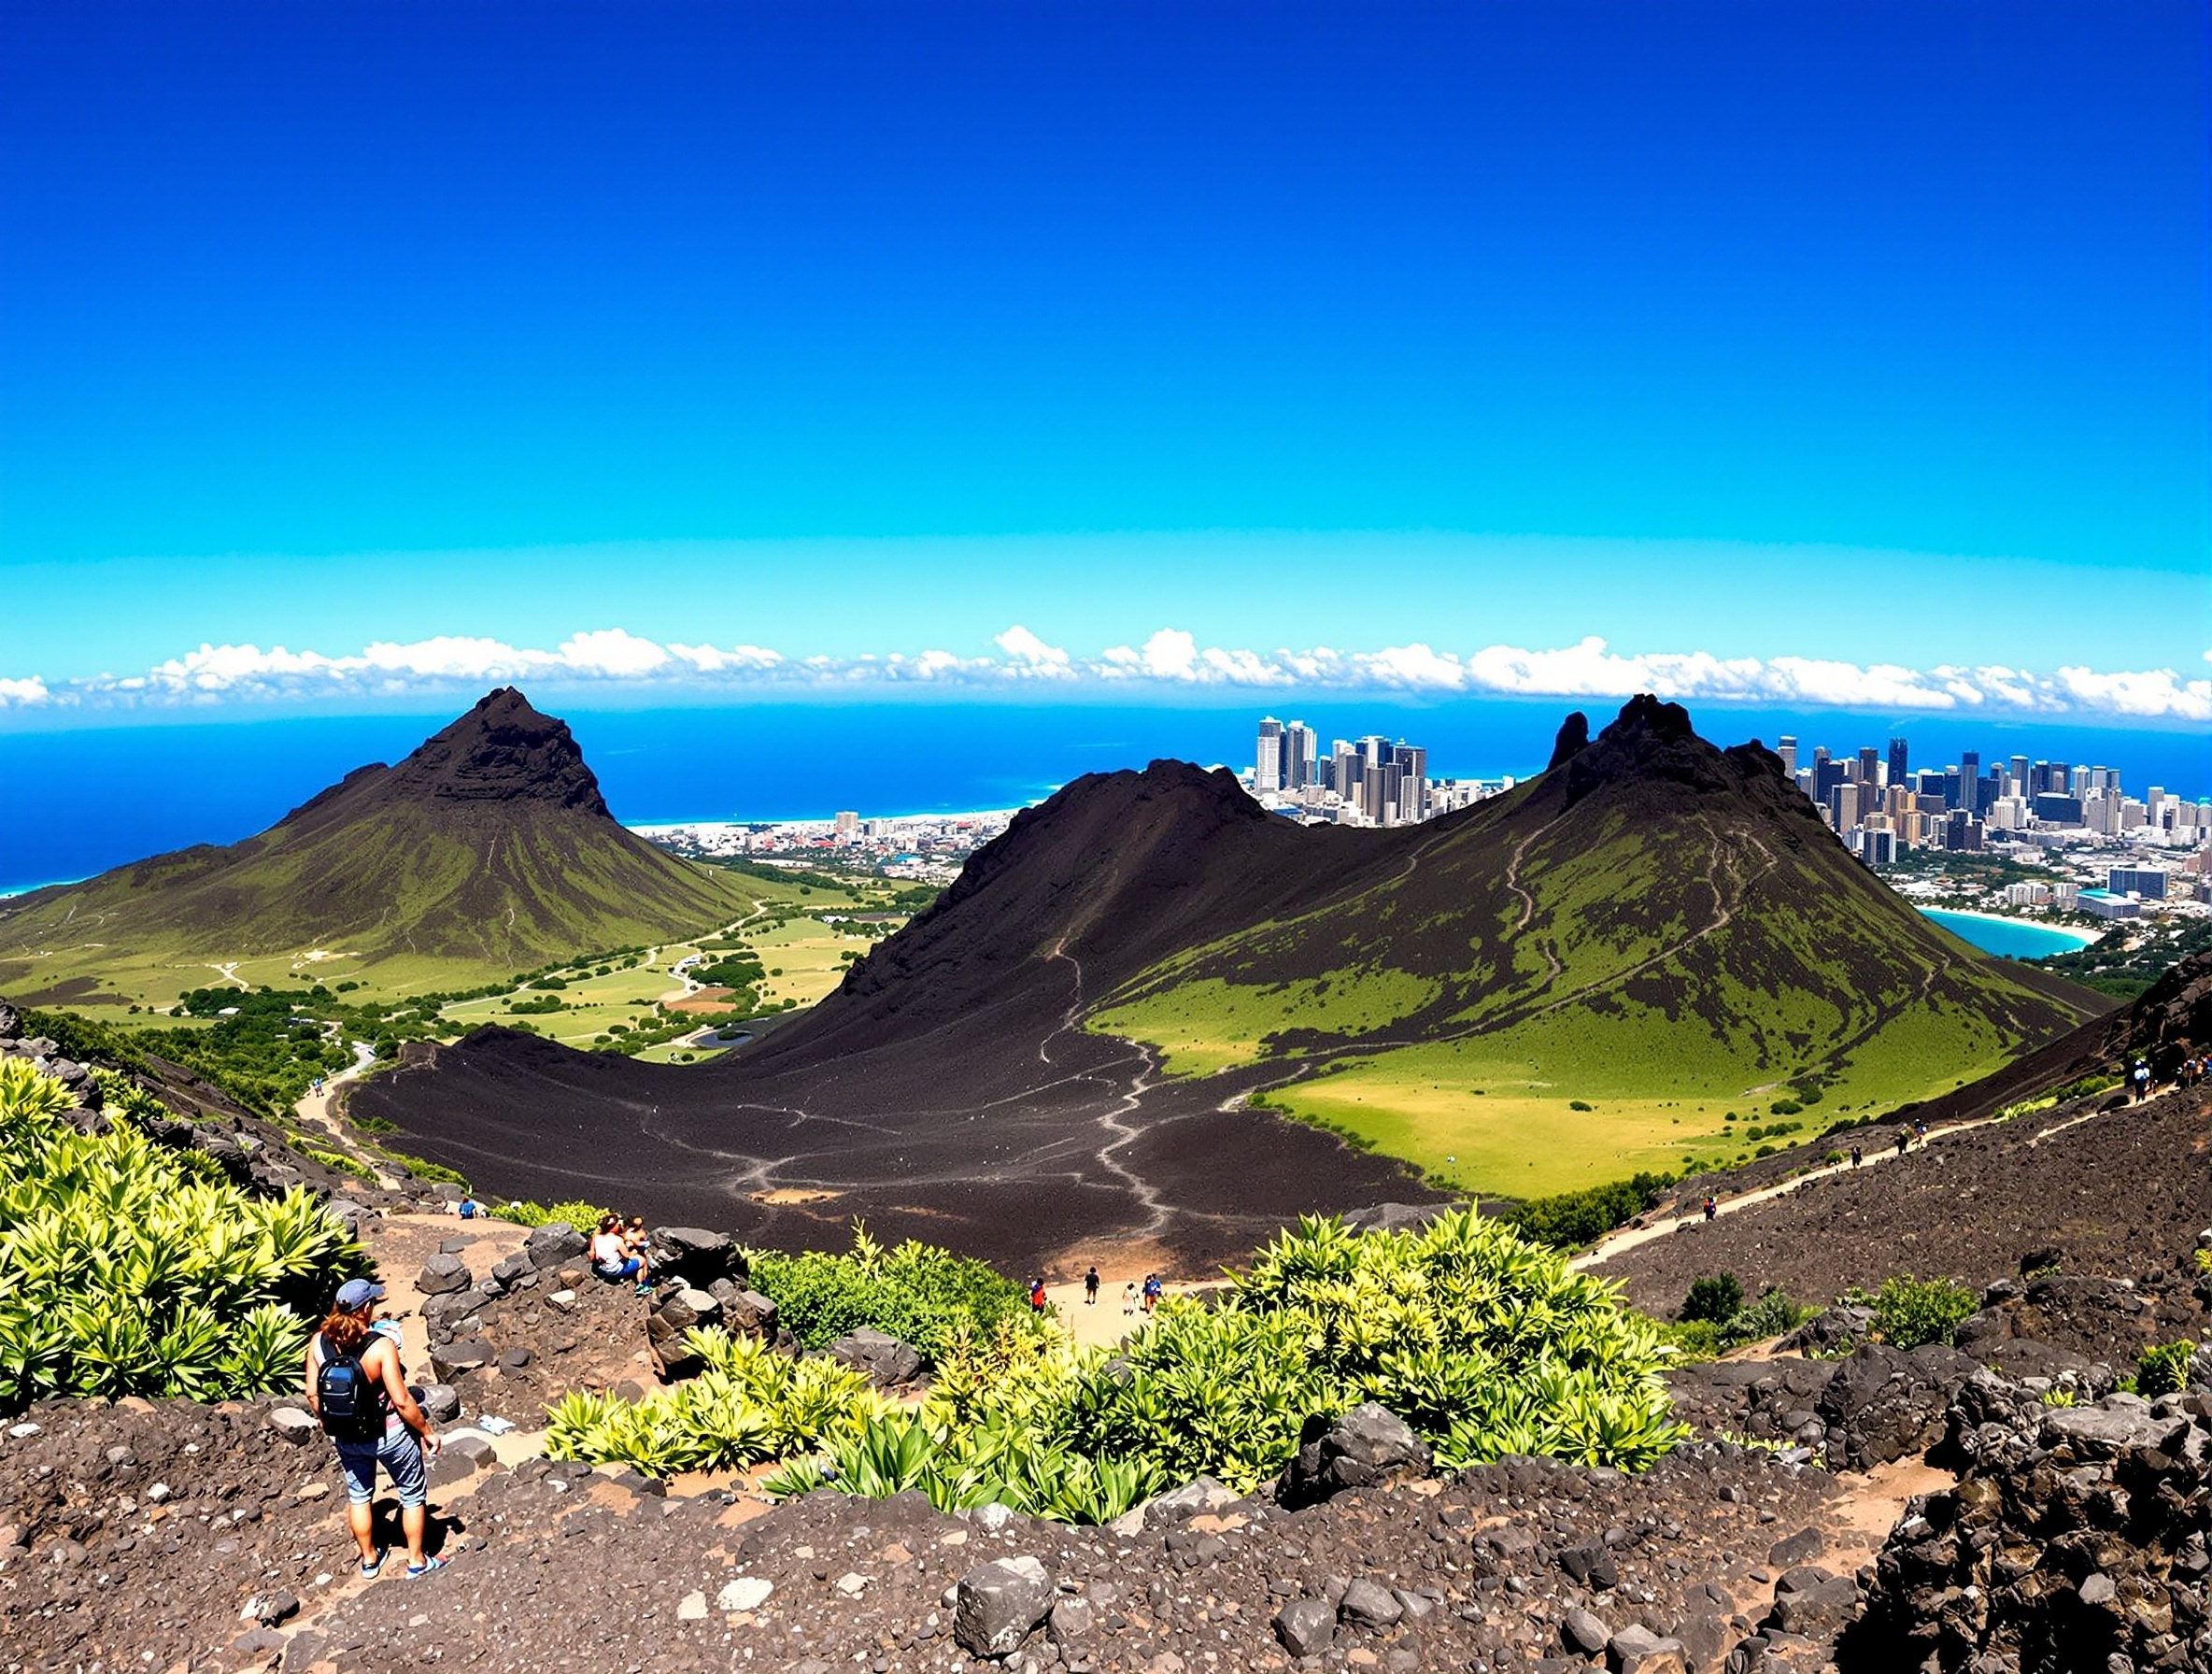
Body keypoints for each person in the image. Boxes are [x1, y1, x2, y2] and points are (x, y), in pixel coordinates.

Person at [305, 1277, 447, 1581]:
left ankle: (369, 1560)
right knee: (411, 1495)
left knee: (359, 1496)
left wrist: (329, 1421)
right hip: (391, 1434)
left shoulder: (318, 1343)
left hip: (347, 1436)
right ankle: (416, 1561)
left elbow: (312, 1394)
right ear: (366, 1308)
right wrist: (427, 1431)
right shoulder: (381, 1346)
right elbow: (402, 1400)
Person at [590, 1215, 652, 1296]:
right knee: (642, 1261)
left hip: (602, 1269)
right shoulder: (617, 1240)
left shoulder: (596, 1237)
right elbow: (626, 1256)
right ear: (613, 1227)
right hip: (615, 1270)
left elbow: (592, 1255)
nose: (619, 1226)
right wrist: (634, 1252)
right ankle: (643, 1286)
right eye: (617, 1225)